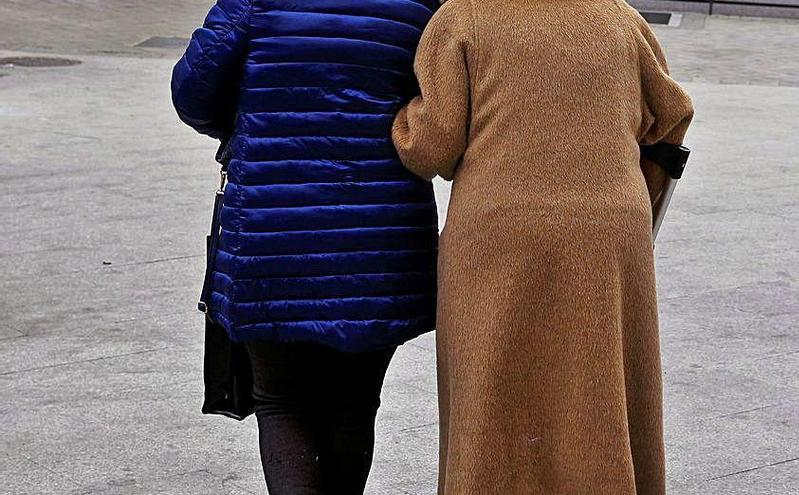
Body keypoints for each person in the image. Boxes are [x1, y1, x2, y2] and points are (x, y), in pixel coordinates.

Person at [392, 0, 694, 493]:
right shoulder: (618, 17)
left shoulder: (463, 16)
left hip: (499, 232)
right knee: (598, 384)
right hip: (606, 229)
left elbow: (431, 147)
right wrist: (632, 191)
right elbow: (673, 114)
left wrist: (400, 120)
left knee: (491, 386)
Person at [171, 0, 441, 493]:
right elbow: (438, 111)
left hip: (272, 232)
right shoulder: (418, 6)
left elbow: (192, 91)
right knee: (354, 405)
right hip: (379, 238)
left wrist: (248, 128)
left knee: (280, 400)